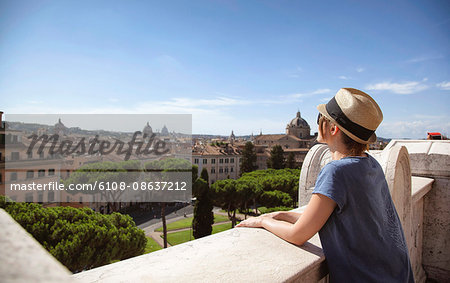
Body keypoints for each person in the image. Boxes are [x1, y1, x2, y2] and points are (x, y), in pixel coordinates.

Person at [237, 88, 414, 282]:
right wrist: (281, 215)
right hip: (398, 273)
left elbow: (298, 235)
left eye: (321, 118)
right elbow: (334, 216)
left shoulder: (336, 171)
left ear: (333, 129)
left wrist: (263, 221)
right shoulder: (371, 165)